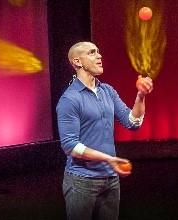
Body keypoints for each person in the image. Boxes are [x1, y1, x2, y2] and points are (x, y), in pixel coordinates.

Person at [56, 41, 153, 220]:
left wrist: (141, 96)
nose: (99, 56)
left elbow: (133, 122)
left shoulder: (107, 91)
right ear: (78, 62)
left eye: (99, 52)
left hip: (110, 179)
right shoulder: (70, 99)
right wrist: (108, 159)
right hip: (81, 181)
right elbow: (70, 146)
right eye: (92, 53)